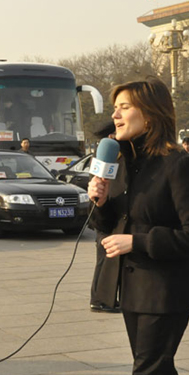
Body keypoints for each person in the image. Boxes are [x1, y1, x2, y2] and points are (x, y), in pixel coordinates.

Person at [87, 78, 189, 375]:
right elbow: (112, 225)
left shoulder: (179, 164)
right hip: (132, 290)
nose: (116, 114)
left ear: (150, 113)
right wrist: (102, 202)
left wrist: (138, 243)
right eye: (115, 107)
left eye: (124, 106)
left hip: (166, 292)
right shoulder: (121, 163)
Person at [87, 120, 119, 314]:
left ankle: (102, 298)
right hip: (102, 213)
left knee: (104, 259)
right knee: (103, 259)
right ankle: (99, 299)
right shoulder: (103, 161)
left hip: (108, 214)